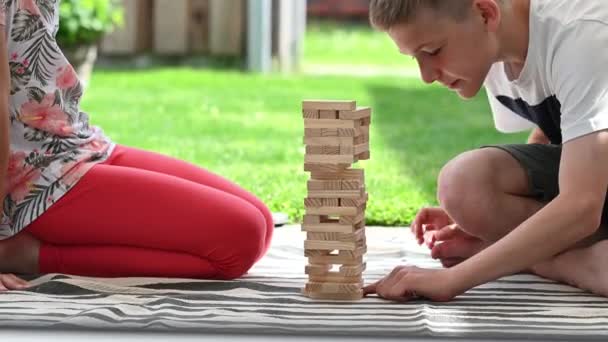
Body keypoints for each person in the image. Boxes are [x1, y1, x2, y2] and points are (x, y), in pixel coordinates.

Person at [0, 0, 273, 291]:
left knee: (263, 223)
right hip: (37, 178)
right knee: (240, 241)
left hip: (74, 143)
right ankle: (28, 255)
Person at [363, 0, 608, 302]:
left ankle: (544, 261)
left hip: (591, 202)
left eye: (432, 52)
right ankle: (539, 254)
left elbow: (582, 206)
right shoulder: (495, 49)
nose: (426, 76)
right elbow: (558, 129)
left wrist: (453, 279)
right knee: (464, 185)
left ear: (485, 13)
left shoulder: (583, 36)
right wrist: (479, 219)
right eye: (415, 57)